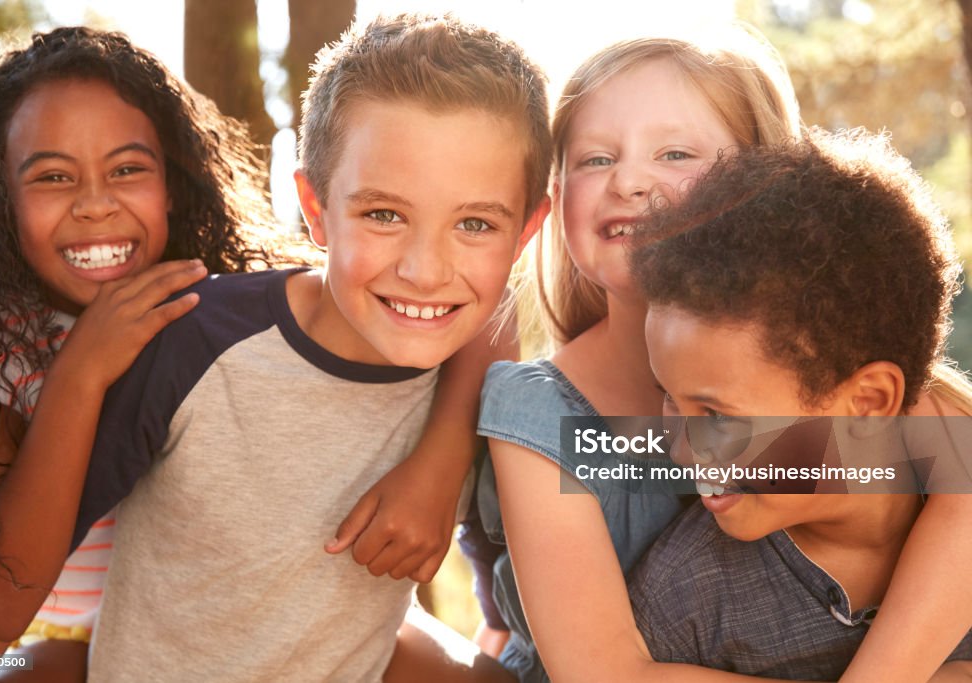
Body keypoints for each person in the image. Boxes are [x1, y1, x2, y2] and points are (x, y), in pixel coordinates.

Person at [472, 28, 972, 683]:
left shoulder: (842, 375)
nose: (627, 180)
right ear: (557, 192)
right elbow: (606, 673)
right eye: (595, 159)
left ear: (763, 176)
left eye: (675, 152)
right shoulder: (545, 413)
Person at [61, 13, 550, 682]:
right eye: (383, 214)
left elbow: (693, 459)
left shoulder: (493, 390)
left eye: (473, 223)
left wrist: (443, 458)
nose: (426, 270)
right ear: (316, 210)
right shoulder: (199, 340)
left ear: (525, 232)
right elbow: (5, 574)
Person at [0, 25, 279, 681]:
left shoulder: (229, 306)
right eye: (52, 176)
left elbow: (463, 314)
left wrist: (436, 469)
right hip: (44, 636)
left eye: (127, 169)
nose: (96, 204)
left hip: (220, 629)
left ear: (174, 185)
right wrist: (81, 369)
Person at [629, 130, 972, 681]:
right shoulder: (682, 603)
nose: (684, 449)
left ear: (867, 404)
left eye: (718, 417)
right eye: (669, 398)